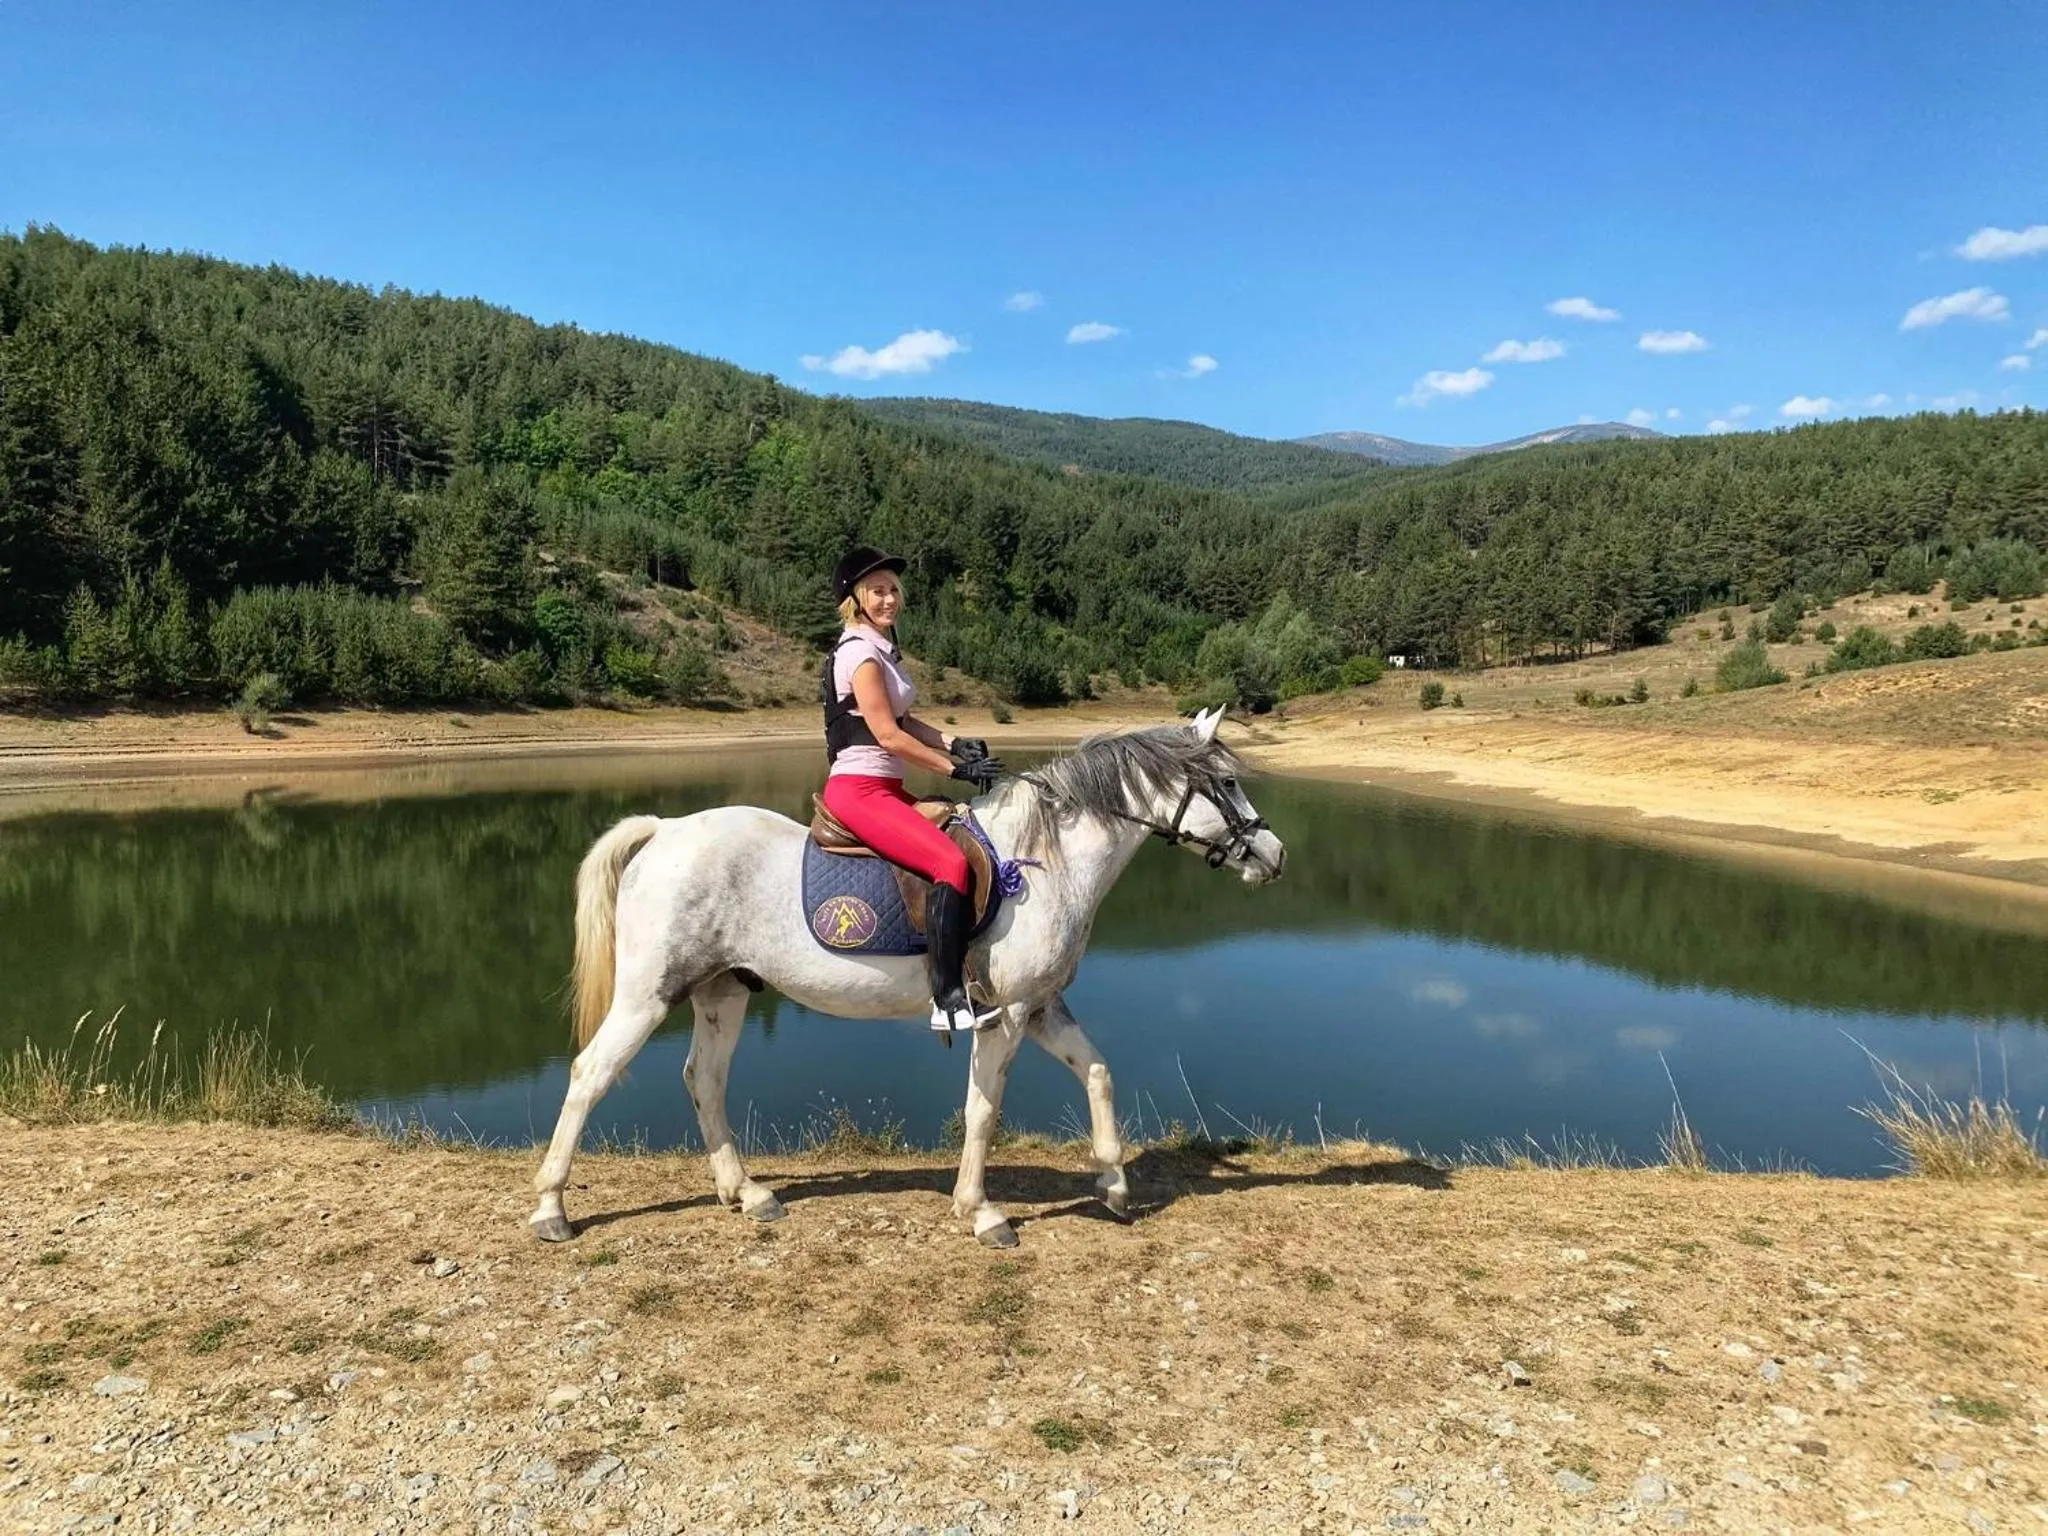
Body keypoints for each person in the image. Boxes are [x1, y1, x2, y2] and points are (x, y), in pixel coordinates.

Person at [821, 546, 1007, 1032]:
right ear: (856, 599)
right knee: (948, 862)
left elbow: (905, 720)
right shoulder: (860, 653)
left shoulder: (880, 649)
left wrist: (955, 742)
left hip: (883, 786)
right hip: (860, 790)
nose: (890, 599)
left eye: (893, 590)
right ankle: (945, 999)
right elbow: (887, 735)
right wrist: (953, 769)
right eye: (878, 591)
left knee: (961, 824)